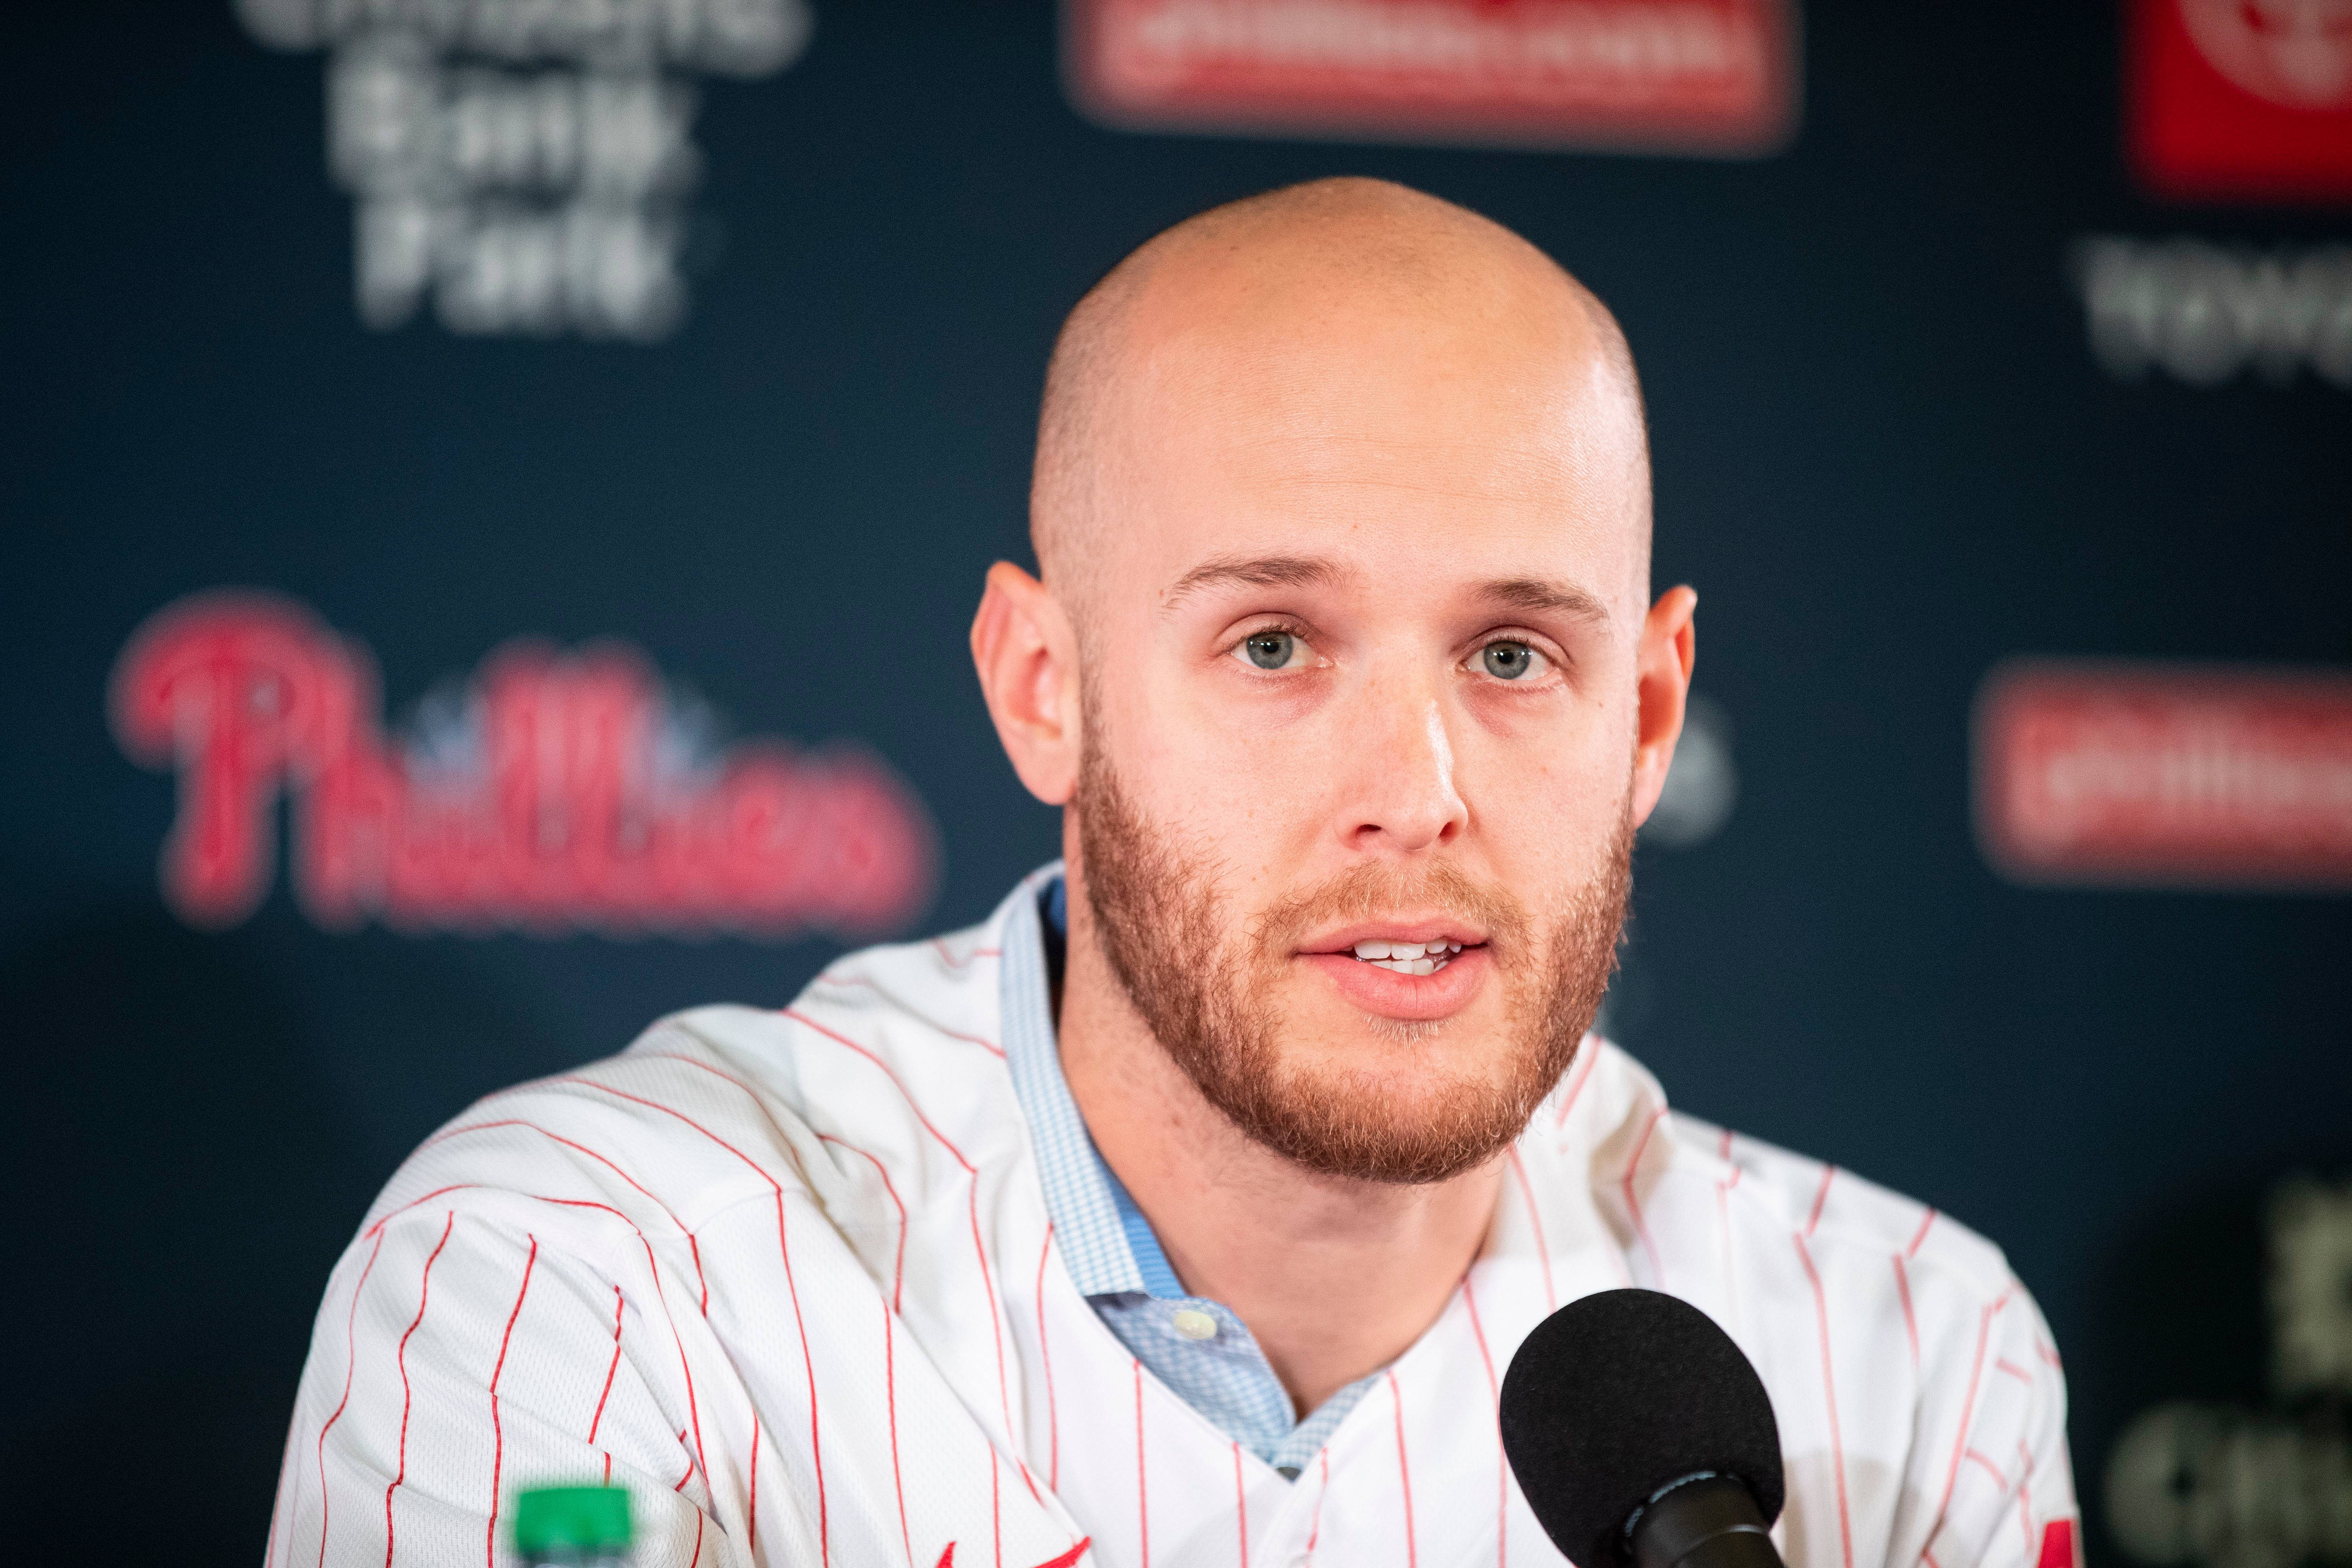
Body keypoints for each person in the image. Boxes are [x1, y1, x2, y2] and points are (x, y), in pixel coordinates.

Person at [267, 178, 2075, 1568]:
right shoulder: (588, 1276)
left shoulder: (1914, 1362)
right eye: (1275, 646)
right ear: (1042, 691)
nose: (1417, 797)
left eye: (1514, 655)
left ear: (1650, 715)